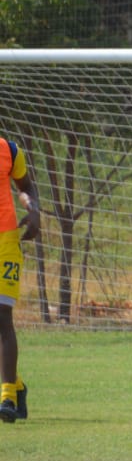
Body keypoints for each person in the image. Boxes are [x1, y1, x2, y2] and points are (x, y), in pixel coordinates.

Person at [1, 138, 40, 423]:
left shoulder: (8, 150)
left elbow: (25, 187)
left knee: (2, 314)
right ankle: (17, 385)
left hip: (5, 242)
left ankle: (7, 399)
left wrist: (33, 208)